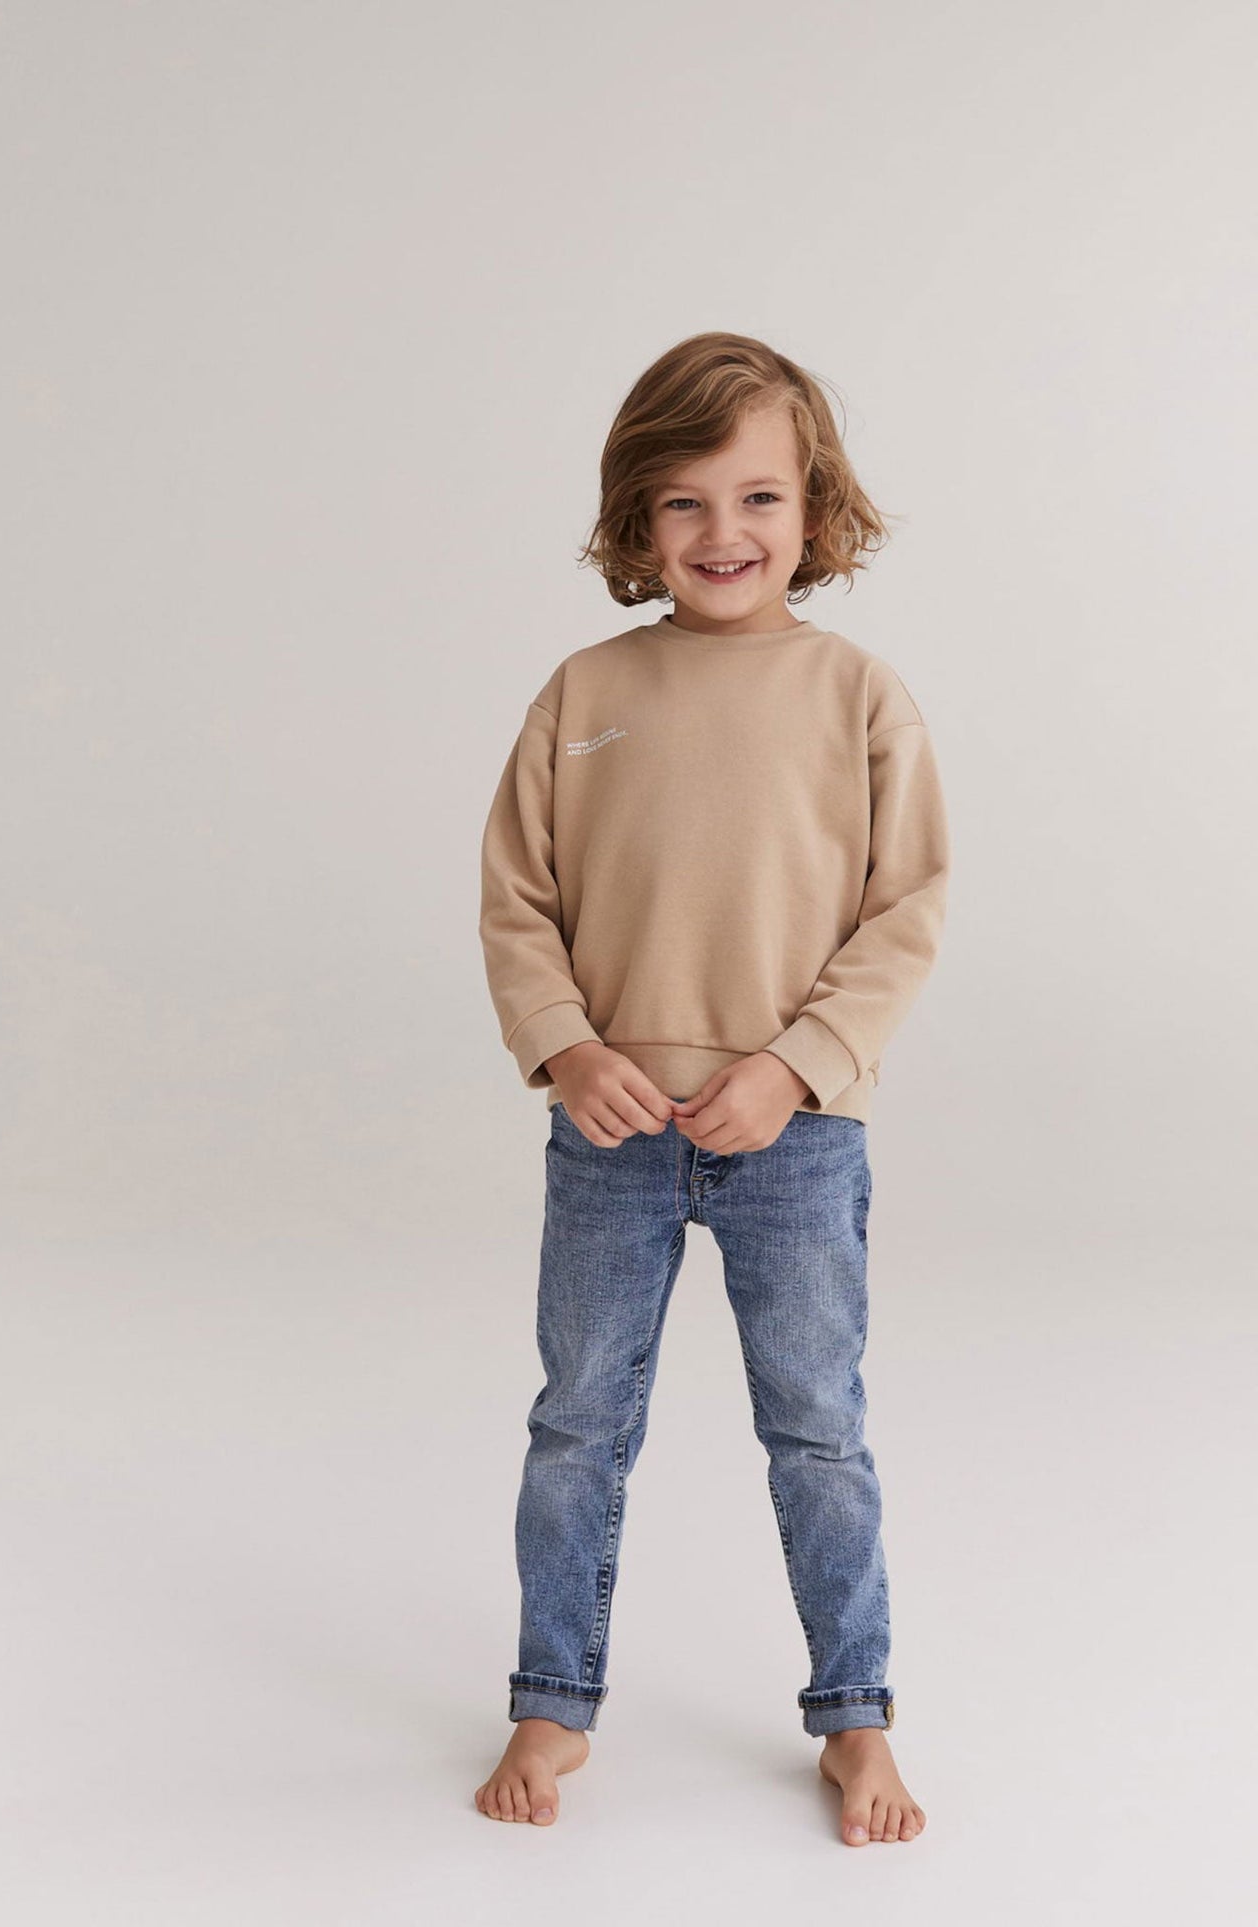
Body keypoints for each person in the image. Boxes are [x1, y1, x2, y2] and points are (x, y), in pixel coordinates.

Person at [473, 332, 951, 1846]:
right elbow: (516, 900)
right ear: (637, 518)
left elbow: (905, 910)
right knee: (577, 1426)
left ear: (816, 510)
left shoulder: (857, 694)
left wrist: (795, 1068)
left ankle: (855, 1718)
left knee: (817, 1433)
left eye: (757, 497)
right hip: (608, 1130)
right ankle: (553, 1699)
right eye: (682, 501)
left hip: (795, 1139)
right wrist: (570, 1048)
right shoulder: (585, 690)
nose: (722, 532)